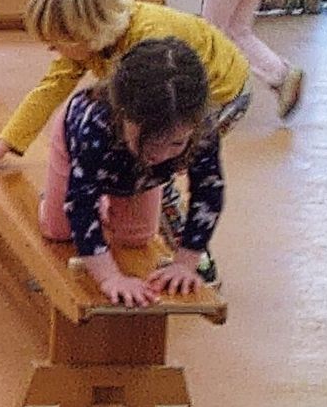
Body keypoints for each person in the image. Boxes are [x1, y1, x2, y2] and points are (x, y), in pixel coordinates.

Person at [0, 0, 249, 282]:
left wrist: (186, 259)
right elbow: (49, 90)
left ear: (86, 33)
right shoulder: (91, 45)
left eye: (56, 42)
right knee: (142, 155)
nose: (51, 49)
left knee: (163, 165)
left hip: (220, 91)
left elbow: (204, 177)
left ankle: (195, 256)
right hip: (169, 101)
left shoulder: (148, 44)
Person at [40, 37, 223, 308]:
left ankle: (106, 205)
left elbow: (208, 194)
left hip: (138, 177)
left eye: (176, 143)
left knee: (136, 238)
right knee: (58, 230)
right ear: (122, 114)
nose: (160, 155)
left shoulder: (201, 128)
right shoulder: (95, 124)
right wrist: (109, 277)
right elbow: (81, 202)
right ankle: (52, 199)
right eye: (149, 142)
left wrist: (185, 263)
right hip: (79, 156)